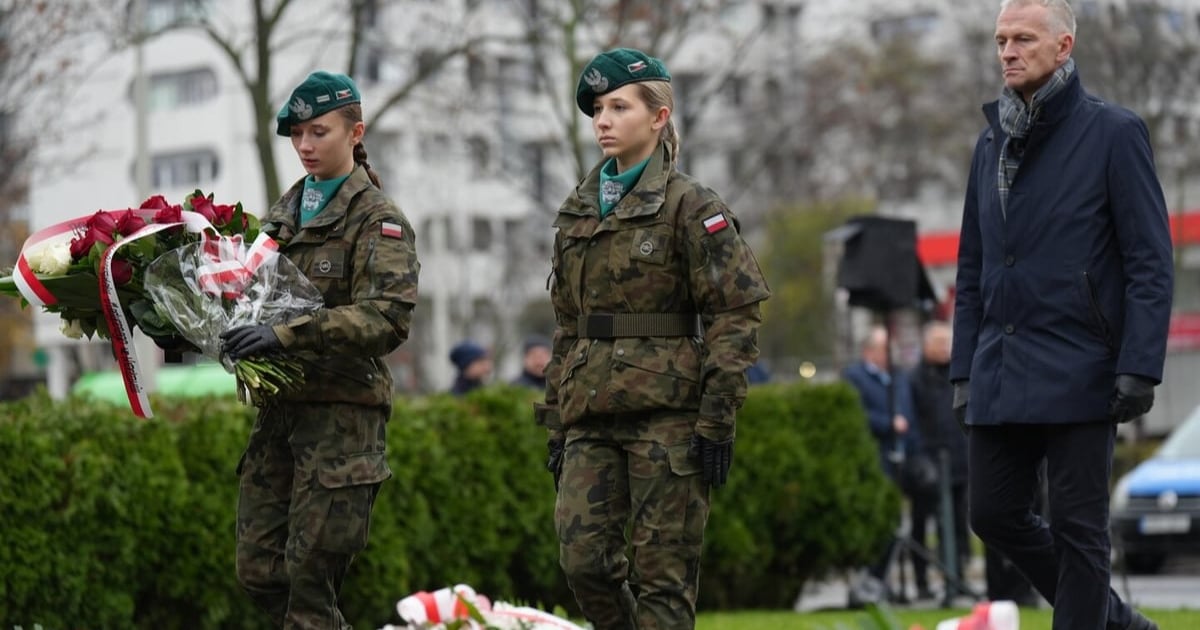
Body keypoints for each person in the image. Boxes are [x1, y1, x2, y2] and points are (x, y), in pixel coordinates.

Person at [952, 2, 1172, 628]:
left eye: (1023, 38)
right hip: (1000, 365)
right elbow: (972, 268)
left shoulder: (1114, 133)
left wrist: (1139, 365)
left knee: (1080, 531)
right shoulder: (989, 142)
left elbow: (1150, 260)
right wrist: (964, 370)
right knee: (992, 513)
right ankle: (1117, 621)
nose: (1008, 51)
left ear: (1064, 45)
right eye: (1001, 40)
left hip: (1084, 367)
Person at [534, 47, 770, 630]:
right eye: (597, 109)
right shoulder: (577, 211)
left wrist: (717, 418)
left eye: (620, 107)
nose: (603, 121)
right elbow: (567, 325)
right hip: (591, 414)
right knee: (584, 563)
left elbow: (734, 314)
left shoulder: (692, 206)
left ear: (659, 117)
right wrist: (557, 419)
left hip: (668, 418)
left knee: (664, 579)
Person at [217, 70, 420, 627]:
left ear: (356, 132)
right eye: (297, 134)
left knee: (309, 584)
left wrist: (286, 335)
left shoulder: (377, 219)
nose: (305, 145)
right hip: (280, 416)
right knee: (259, 571)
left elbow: (387, 318)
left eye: (319, 132)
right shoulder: (281, 218)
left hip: (341, 421)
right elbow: (248, 297)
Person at [841, 324, 920, 596]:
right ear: (869, 351)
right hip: (875, 458)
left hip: (903, 457)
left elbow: (909, 413)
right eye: (885, 348)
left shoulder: (899, 377)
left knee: (901, 521)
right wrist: (888, 424)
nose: (890, 354)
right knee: (881, 521)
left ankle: (890, 581)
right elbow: (856, 413)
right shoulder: (854, 377)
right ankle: (874, 580)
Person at [908, 320, 969, 600]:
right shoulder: (915, 379)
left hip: (958, 463)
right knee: (922, 523)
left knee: (957, 524)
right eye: (940, 342)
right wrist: (921, 458)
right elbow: (912, 420)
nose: (946, 348)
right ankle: (923, 581)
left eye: (948, 342)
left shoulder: (959, 375)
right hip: (928, 465)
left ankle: (957, 577)